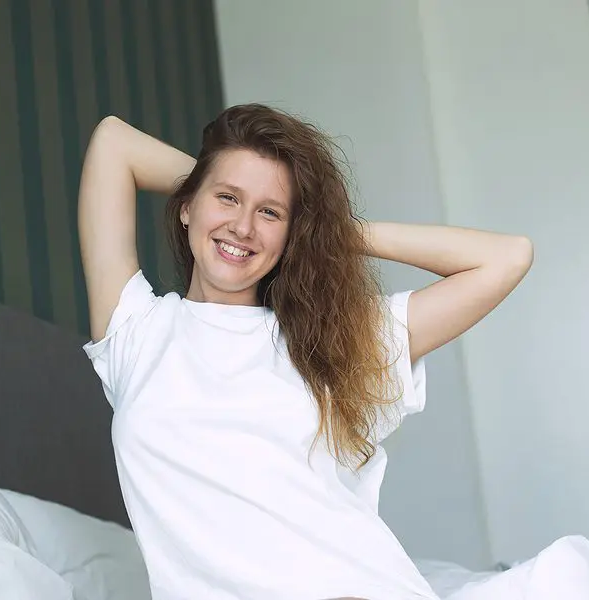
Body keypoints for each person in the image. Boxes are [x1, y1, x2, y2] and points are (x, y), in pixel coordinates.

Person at [77, 104, 533, 600]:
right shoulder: (136, 331)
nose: (244, 227)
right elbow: (113, 143)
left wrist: (325, 228)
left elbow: (506, 258)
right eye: (227, 199)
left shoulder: (323, 344)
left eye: (269, 212)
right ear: (186, 205)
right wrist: (207, 183)